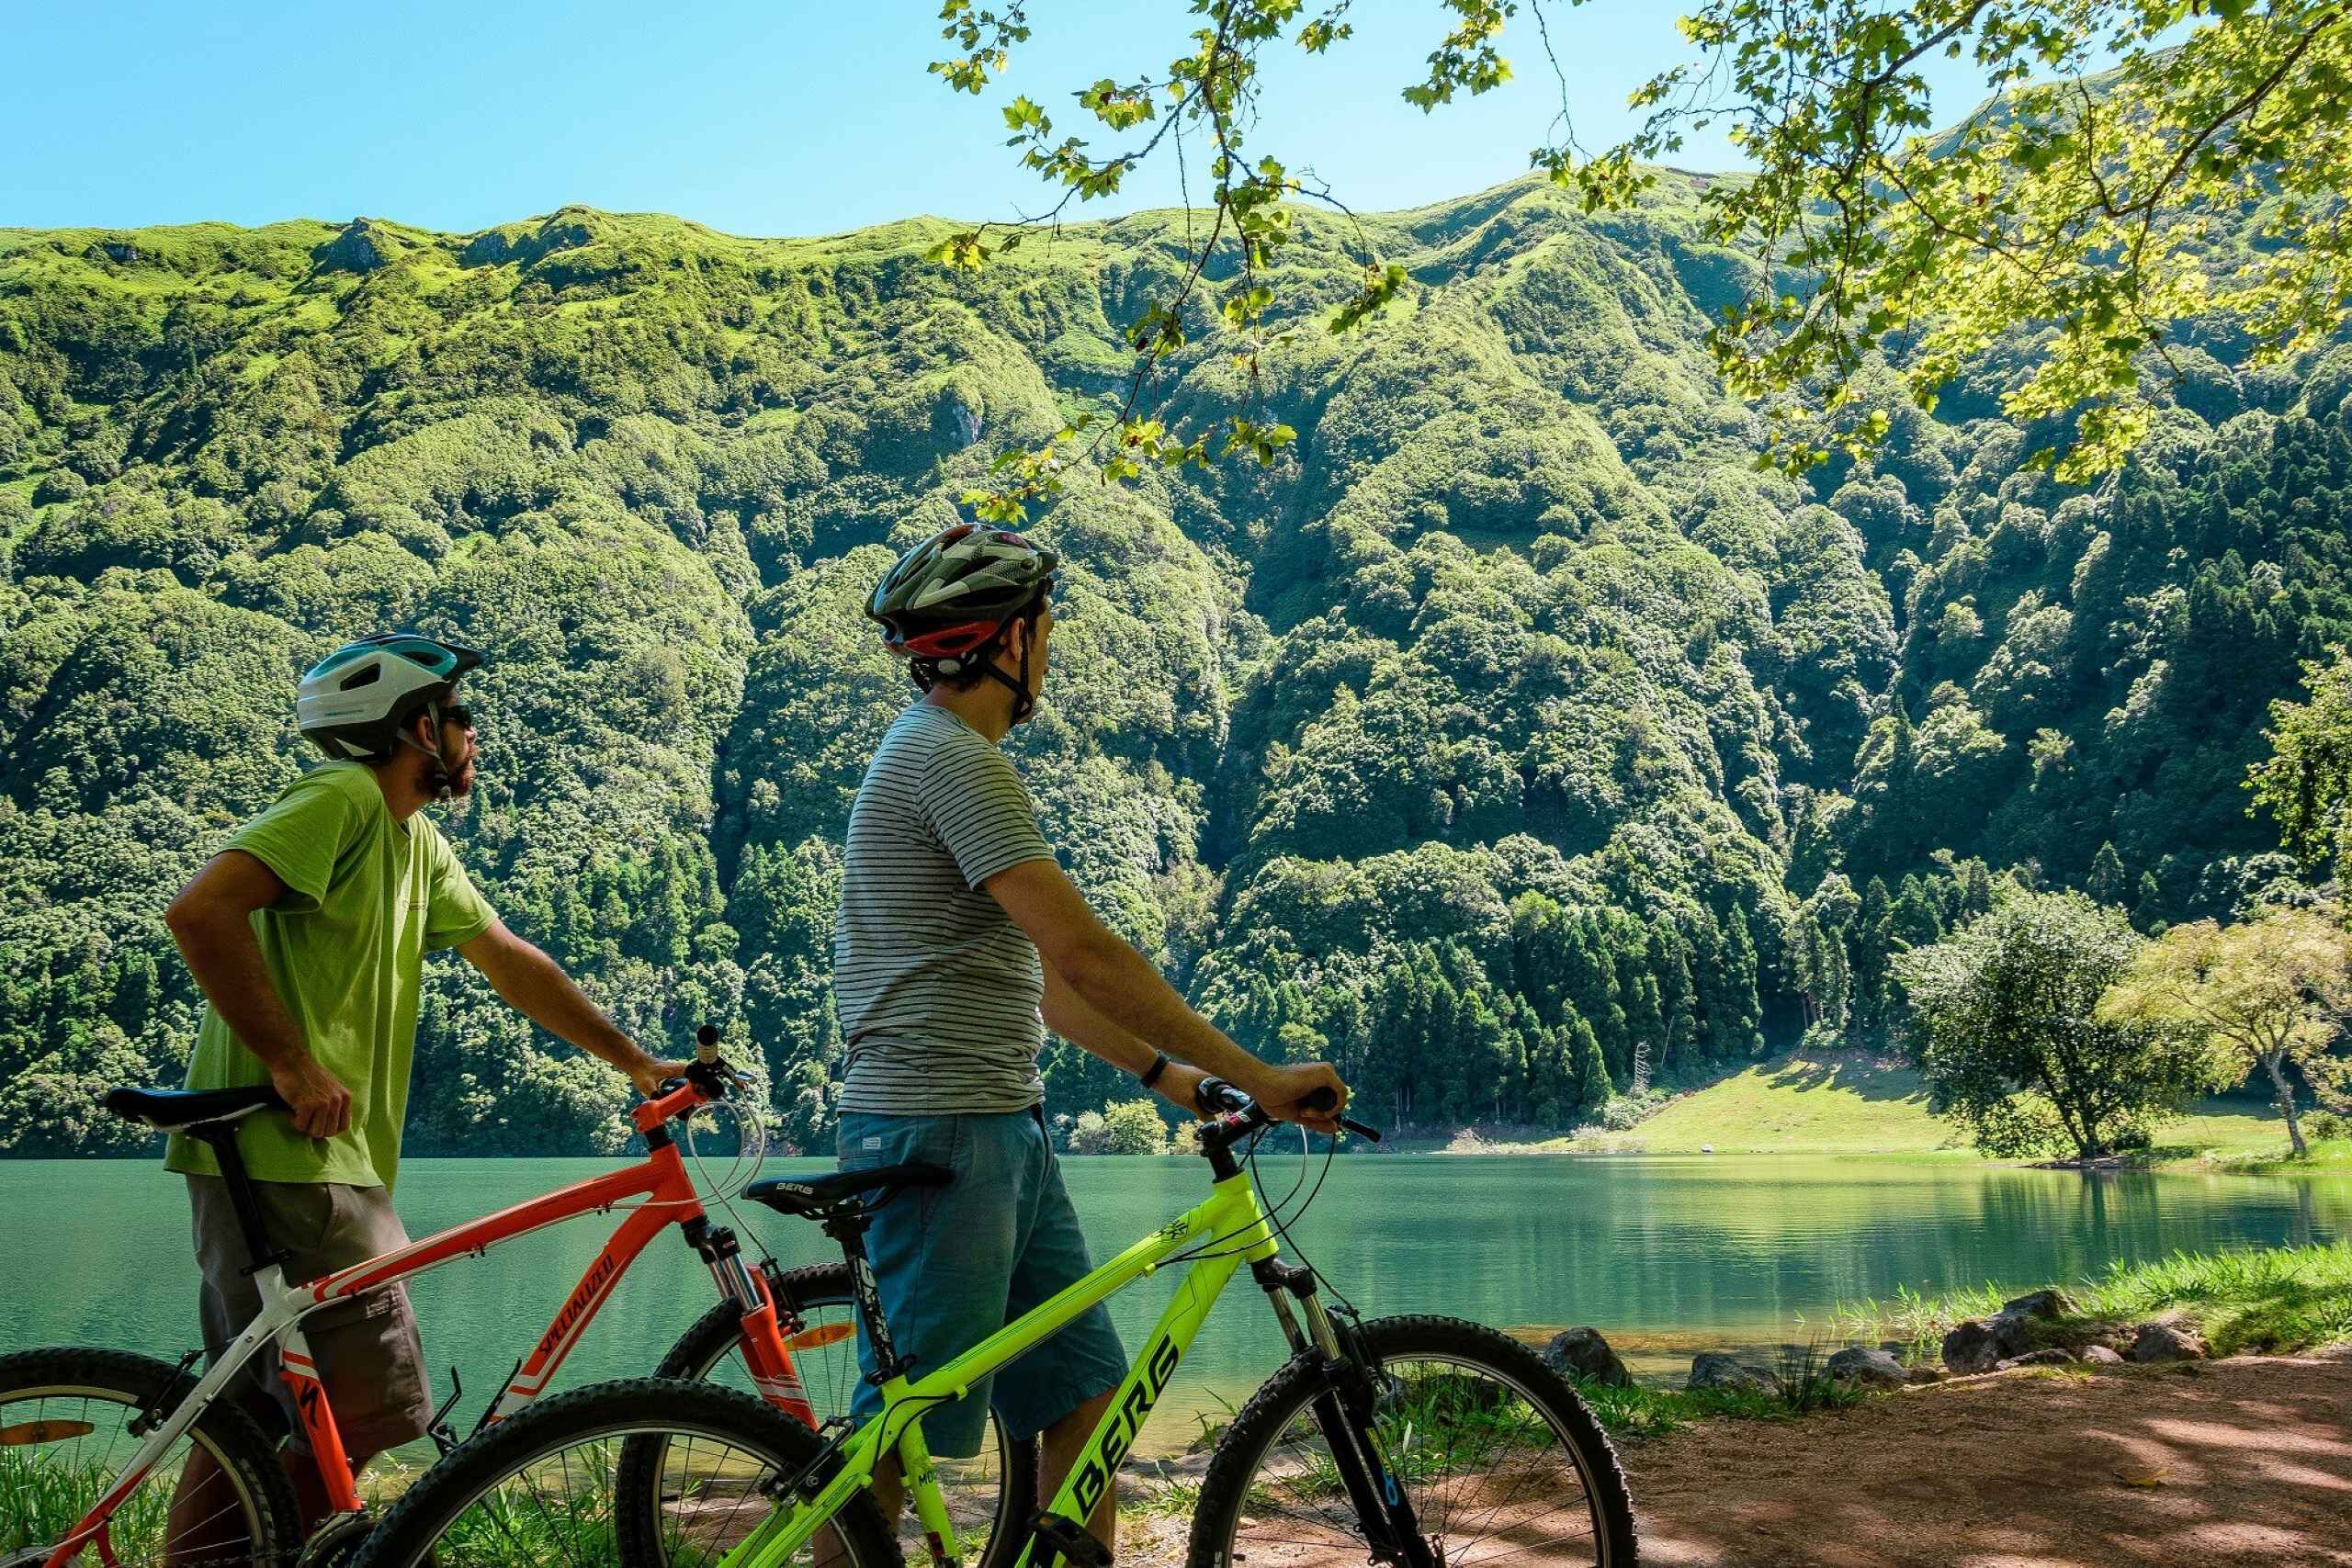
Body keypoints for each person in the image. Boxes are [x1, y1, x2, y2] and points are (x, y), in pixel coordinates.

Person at [837, 525, 1351, 1551]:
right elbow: (1085, 954)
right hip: (943, 1134)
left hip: (997, 1130)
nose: (1052, 650)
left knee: (1086, 1403)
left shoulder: (942, 755)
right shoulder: (953, 761)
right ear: (1011, 641)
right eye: (1047, 630)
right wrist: (1261, 1075)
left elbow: (1039, 984)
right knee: (892, 1440)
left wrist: (1172, 1078)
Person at [161, 633, 684, 1548]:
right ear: (416, 729)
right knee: (374, 1410)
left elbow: (508, 960)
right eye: (461, 717)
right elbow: (201, 910)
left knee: (255, 1413)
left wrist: (633, 1059)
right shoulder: (342, 797)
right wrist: (292, 1063)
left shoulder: (412, 839)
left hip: (306, 1157)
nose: (475, 734)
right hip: (291, 1149)